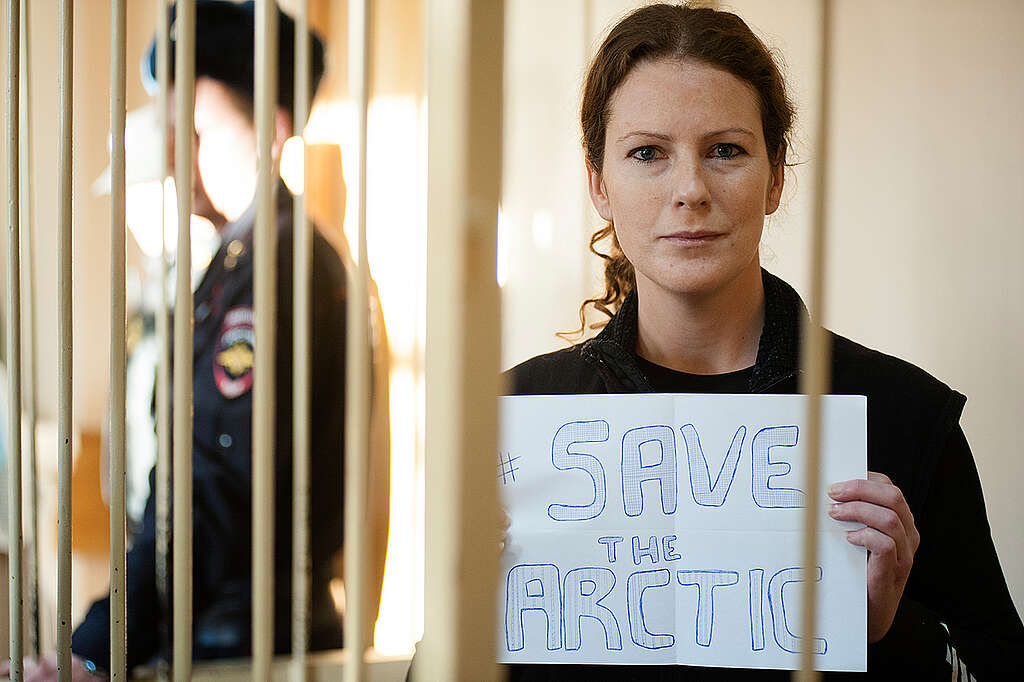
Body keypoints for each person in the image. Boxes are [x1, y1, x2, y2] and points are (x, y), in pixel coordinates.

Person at [502, 3, 1024, 680]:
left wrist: (888, 632)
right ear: (600, 183)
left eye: (726, 150)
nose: (689, 190)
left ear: (775, 177)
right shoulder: (522, 413)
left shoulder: (903, 415)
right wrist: (467, 608)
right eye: (647, 153)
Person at [2, 3, 388, 679]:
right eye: (170, 130)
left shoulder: (279, 268)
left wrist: (99, 646)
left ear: (270, 132)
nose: (174, 155)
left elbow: (216, 489)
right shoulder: (238, 261)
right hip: (217, 626)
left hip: (248, 640)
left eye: (198, 132)